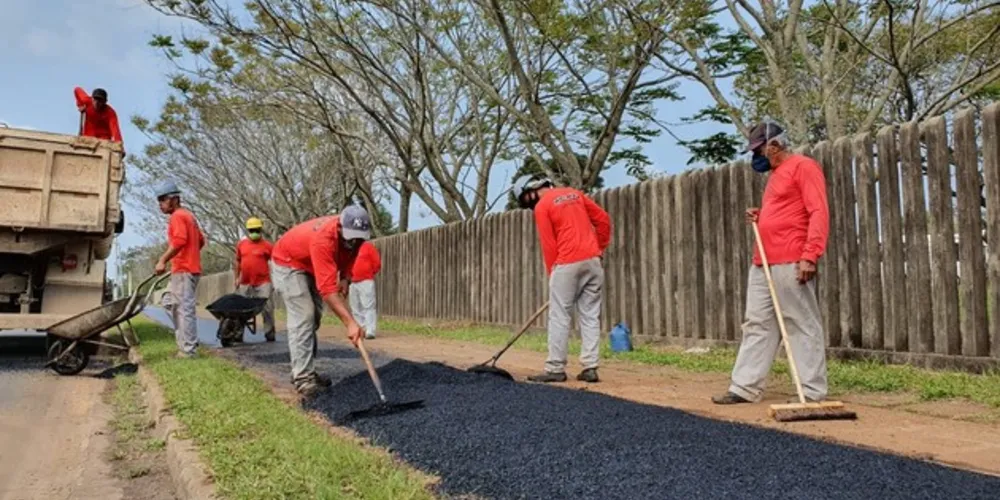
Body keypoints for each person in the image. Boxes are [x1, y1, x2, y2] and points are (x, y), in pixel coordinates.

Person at [712, 121, 830, 405]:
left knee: (800, 323)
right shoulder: (776, 174)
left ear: (774, 145)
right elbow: (786, 210)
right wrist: (761, 215)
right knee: (757, 323)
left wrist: (810, 255)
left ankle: (811, 392)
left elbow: (818, 211)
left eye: (759, 150)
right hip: (762, 259)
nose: (757, 157)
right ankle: (745, 387)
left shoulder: (804, 166)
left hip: (792, 258)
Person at [514, 176, 612, 384]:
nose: (529, 204)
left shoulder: (543, 207)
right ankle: (590, 367)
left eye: (526, 198)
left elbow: (549, 245)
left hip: (567, 263)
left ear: (531, 190)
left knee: (559, 316)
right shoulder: (575, 194)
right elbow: (603, 220)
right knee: (590, 315)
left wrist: (553, 277)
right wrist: (599, 250)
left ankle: (555, 368)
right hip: (593, 262)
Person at [270, 205, 371, 397]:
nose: (354, 242)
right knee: (304, 316)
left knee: (314, 317)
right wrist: (350, 323)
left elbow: (351, 255)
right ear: (340, 228)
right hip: (288, 263)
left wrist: (346, 277)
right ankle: (303, 377)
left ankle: (307, 368)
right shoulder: (323, 240)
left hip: (310, 265)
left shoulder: (356, 237)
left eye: (358, 239)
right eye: (350, 238)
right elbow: (327, 290)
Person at [154, 180, 205, 358]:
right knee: (169, 302)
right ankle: (187, 340)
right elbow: (201, 241)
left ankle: (188, 350)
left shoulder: (178, 216)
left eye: (162, 200)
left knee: (184, 309)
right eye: (159, 201)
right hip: (185, 268)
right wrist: (188, 255)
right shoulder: (189, 216)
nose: (160, 204)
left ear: (174, 199)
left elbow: (180, 241)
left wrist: (163, 260)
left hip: (185, 270)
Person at [234, 217, 276, 342]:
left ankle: (269, 333)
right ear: (248, 231)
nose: (254, 232)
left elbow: (275, 262)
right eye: (252, 230)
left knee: (267, 308)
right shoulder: (241, 245)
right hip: (245, 282)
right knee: (240, 309)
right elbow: (237, 261)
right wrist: (236, 278)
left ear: (260, 230)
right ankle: (238, 333)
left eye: (256, 230)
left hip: (263, 283)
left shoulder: (267, 246)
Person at [74, 87, 124, 156]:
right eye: (95, 99)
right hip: (88, 139)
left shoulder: (110, 113)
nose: (97, 102)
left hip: (103, 142)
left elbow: (115, 130)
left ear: (105, 101)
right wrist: (80, 104)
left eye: (100, 100)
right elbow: (77, 90)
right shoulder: (87, 101)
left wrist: (120, 146)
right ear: (92, 98)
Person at [349, 240, 382, 340]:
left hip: (366, 281)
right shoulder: (349, 248)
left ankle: (370, 330)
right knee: (355, 307)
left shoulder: (368, 247)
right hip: (351, 281)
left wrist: (369, 273)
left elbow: (376, 263)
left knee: (368, 306)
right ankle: (361, 329)